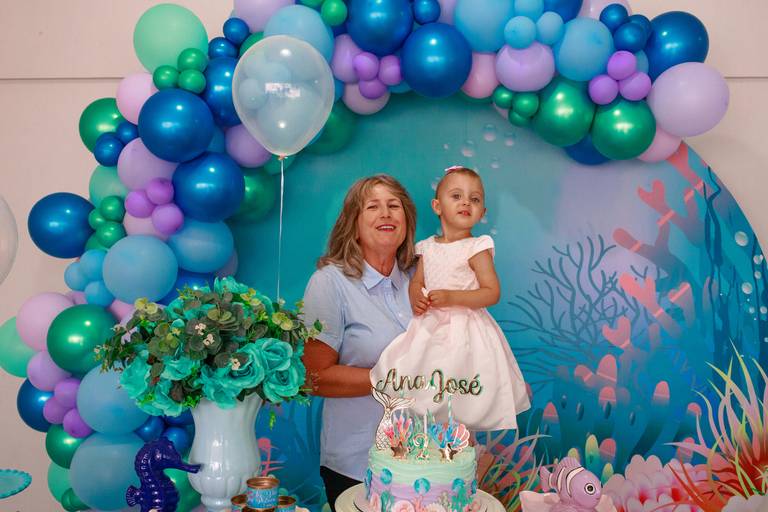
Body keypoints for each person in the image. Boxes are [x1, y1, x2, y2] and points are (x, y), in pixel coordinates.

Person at [371, 166, 530, 431]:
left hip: (465, 327)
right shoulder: (426, 247)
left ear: (482, 213)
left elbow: (491, 292)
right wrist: (415, 295)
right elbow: (418, 281)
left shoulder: (476, 247)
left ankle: (460, 427)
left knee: (462, 377)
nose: (466, 202)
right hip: (431, 324)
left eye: (474, 199)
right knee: (426, 372)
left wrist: (451, 297)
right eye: (456, 196)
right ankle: (430, 423)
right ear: (437, 206)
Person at [302, 175, 419, 510]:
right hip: (357, 463)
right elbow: (315, 377)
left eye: (394, 206)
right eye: (373, 207)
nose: (386, 213)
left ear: (406, 223)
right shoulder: (329, 283)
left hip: (425, 460)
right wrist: (394, 379)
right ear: (353, 225)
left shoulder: (420, 281)